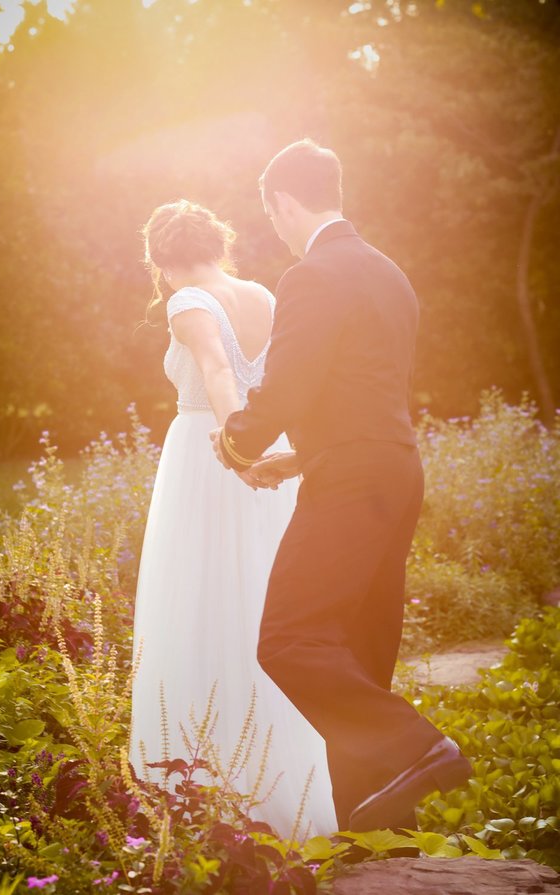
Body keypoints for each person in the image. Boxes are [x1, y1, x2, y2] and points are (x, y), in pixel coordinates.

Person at [211, 139, 472, 832]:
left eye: (274, 215)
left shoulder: (313, 274)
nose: (277, 228)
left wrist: (237, 441)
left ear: (284, 202)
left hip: (354, 481)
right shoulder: (390, 273)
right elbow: (363, 392)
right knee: (356, 654)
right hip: (393, 470)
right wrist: (297, 462)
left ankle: (423, 747)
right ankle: (378, 826)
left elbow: (291, 385)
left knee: (289, 640)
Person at [128, 199, 337, 839]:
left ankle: (205, 781)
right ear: (217, 242)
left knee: (198, 602)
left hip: (212, 457)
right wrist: (268, 447)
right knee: (255, 599)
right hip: (262, 453)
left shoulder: (185, 301)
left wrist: (238, 452)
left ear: (161, 260)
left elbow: (218, 371)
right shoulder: (261, 296)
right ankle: (278, 779)